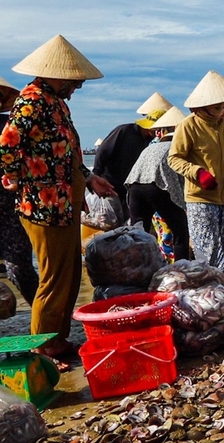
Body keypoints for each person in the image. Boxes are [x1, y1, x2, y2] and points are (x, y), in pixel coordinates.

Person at [0, 35, 115, 370]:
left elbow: (65, 152)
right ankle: (41, 349)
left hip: (65, 202)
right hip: (42, 205)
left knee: (70, 275)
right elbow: (6, 147)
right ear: (59, 75)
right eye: (75, 81)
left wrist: (88, 177)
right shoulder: (31, 102)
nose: (76, 87)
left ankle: (58, 338)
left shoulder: (55, 102)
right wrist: (15, 178)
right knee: (51, 277)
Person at [168, 70, 224, 275]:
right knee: (208, 249)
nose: (223, 110)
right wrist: (197, 173)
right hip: (200, 197)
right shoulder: (187, 126)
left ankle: (220, 283)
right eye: (218, 107)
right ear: (203, 106)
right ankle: (207, 284)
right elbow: (174, 158)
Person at [125, 106, 190, 262]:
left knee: (138, 233)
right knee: (180, 232)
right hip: (157, 186)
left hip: (135, 187)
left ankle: (137, 268)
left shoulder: (153, 146)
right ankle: (183, 269)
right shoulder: (178, 147)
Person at [0, 75, 38, 306]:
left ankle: (42, 321)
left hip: (10, 206)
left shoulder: (9, 126)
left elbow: (30, 158)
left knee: (20, 268)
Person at [93, 108, 166, 220]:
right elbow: (102, 152)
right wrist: (96, 177)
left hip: (129, 188)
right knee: (111, 220)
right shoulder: (124, 131)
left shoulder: (151, 141)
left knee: (128, 222)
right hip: (110, 184)